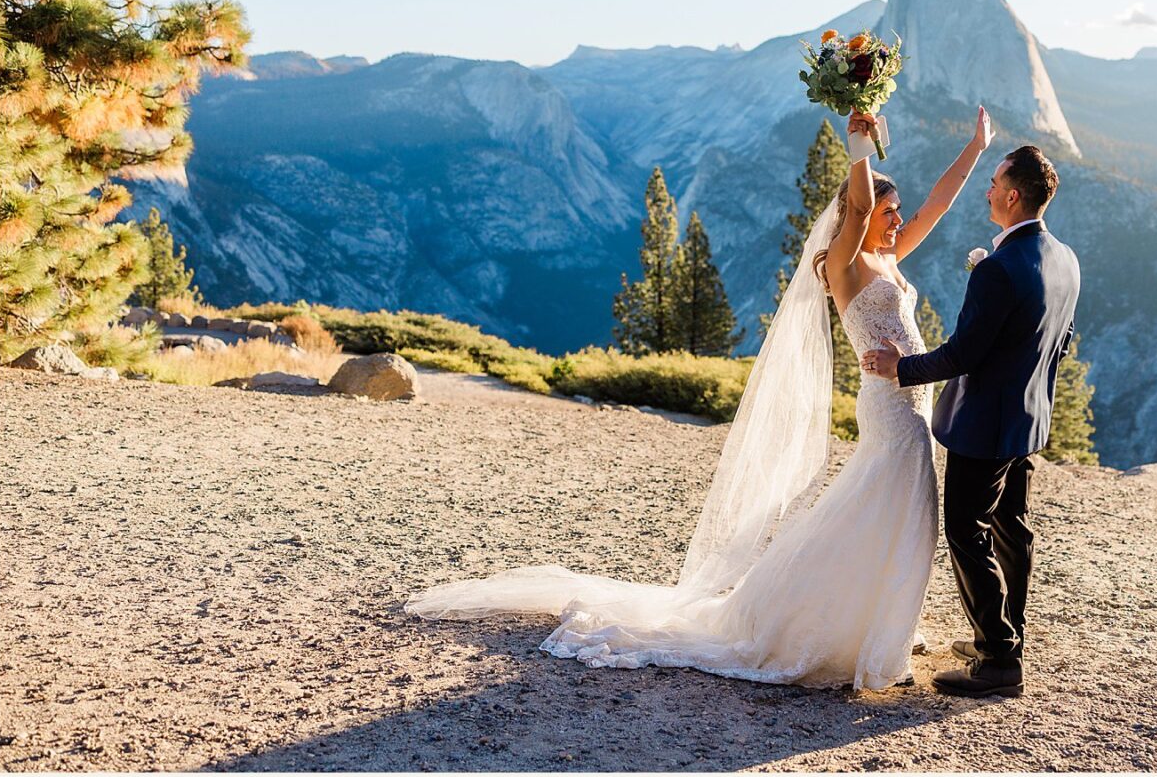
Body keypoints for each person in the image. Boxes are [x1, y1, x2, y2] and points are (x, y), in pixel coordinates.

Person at [405, 107, 996, 690]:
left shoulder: (888, 257)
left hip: (909, 405)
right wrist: (859, 146)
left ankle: (877, 621)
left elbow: (934, 207)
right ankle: (850, 627)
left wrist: (975, 148)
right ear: (859, 218)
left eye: (896, 213)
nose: (896, 220)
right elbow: (863, 204)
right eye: (889, 212)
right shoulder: (844, 264)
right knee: (897, 511)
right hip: (891, 409)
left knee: (897, 516)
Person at [864, 143, 1079, 699]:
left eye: (993, 182)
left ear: (1012, 195)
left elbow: (962, 355)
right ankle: (1008, 637)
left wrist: (898, 368)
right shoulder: (1064, 258)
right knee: (1012, 527)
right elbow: (1061, 338)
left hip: (984, 427)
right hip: (1027, 422)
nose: (987, 190)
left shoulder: (999, 269)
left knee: (967, 530)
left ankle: (998, 662)